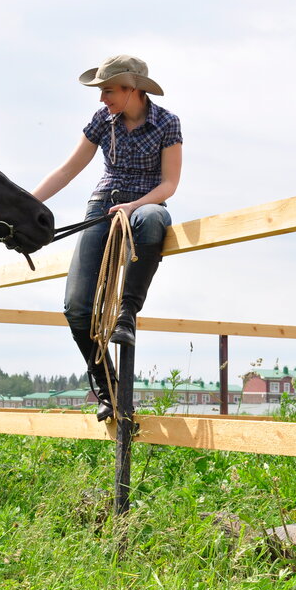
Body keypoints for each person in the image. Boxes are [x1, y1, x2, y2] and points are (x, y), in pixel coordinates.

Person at [32, 55, 183, 421]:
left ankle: (126, 314)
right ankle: (106, 386)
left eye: (108, 91)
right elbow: (68, 169)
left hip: (146, 202)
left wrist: (134, 205)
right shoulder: (104, 121)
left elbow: (169, 184)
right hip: (104, 204)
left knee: (150, 220)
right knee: (75, 306)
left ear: (132, 89)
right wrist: (27, 203)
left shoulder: (167, 123)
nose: (102, 99)